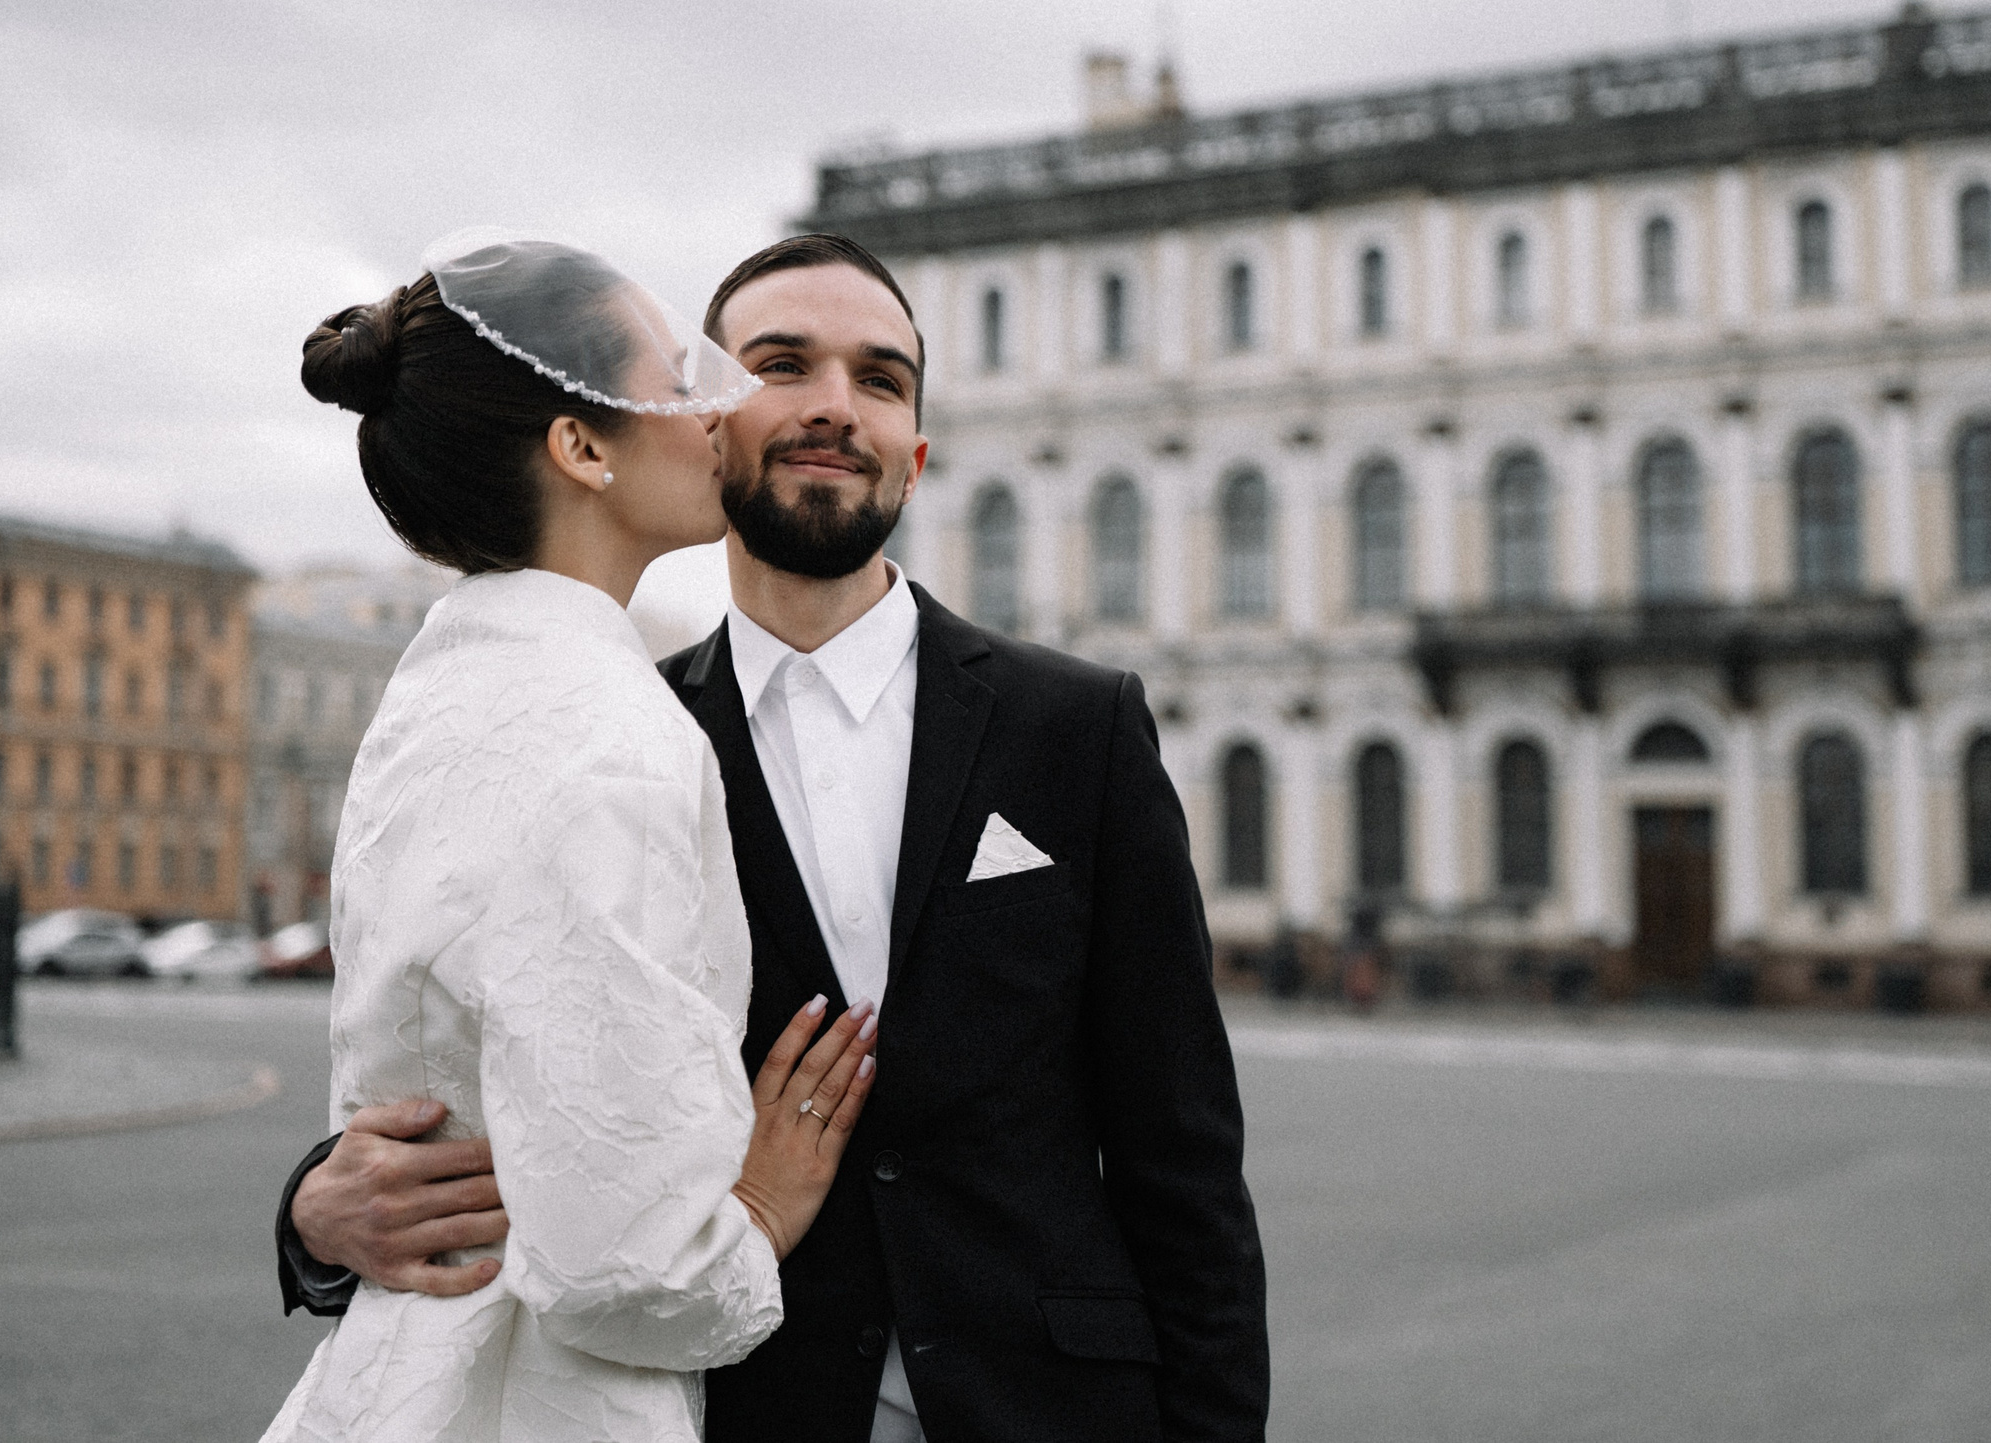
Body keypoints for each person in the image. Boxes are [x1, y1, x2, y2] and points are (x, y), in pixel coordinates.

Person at [276, 233, 1270, 1443]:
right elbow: (475, 1070)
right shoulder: (613, 737)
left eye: (882, 379)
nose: (836, 406)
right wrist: (315, 1214)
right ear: (708, 418)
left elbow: (1183, 1158)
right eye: (782, 365)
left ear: (916, 453)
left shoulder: (1080, 727)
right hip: (740, 1411)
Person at [261, 232, 879, 1443]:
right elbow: (621, 1266)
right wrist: (755, 1214)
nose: (720, 409)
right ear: (582, 447)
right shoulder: (614, 738)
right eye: (679, 379)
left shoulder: (430, 698)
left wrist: (318, 1208)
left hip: (397, 1369)